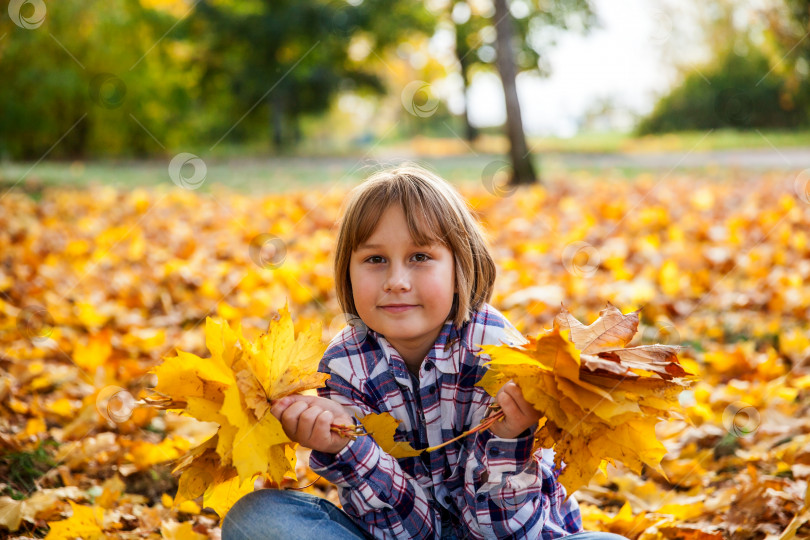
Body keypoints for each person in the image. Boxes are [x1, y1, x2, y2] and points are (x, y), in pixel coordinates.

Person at [223, 166, 627, 540]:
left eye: (420, 257)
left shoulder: (498, 351)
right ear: (348, 272)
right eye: (375, 259)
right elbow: (406, 531)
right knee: (256, 519)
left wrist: (507, 438)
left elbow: (503, 533)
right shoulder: (344, 366)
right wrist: (347, 447)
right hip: (397, 531)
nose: (397, 281)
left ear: (460, 268)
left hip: (513, 531)